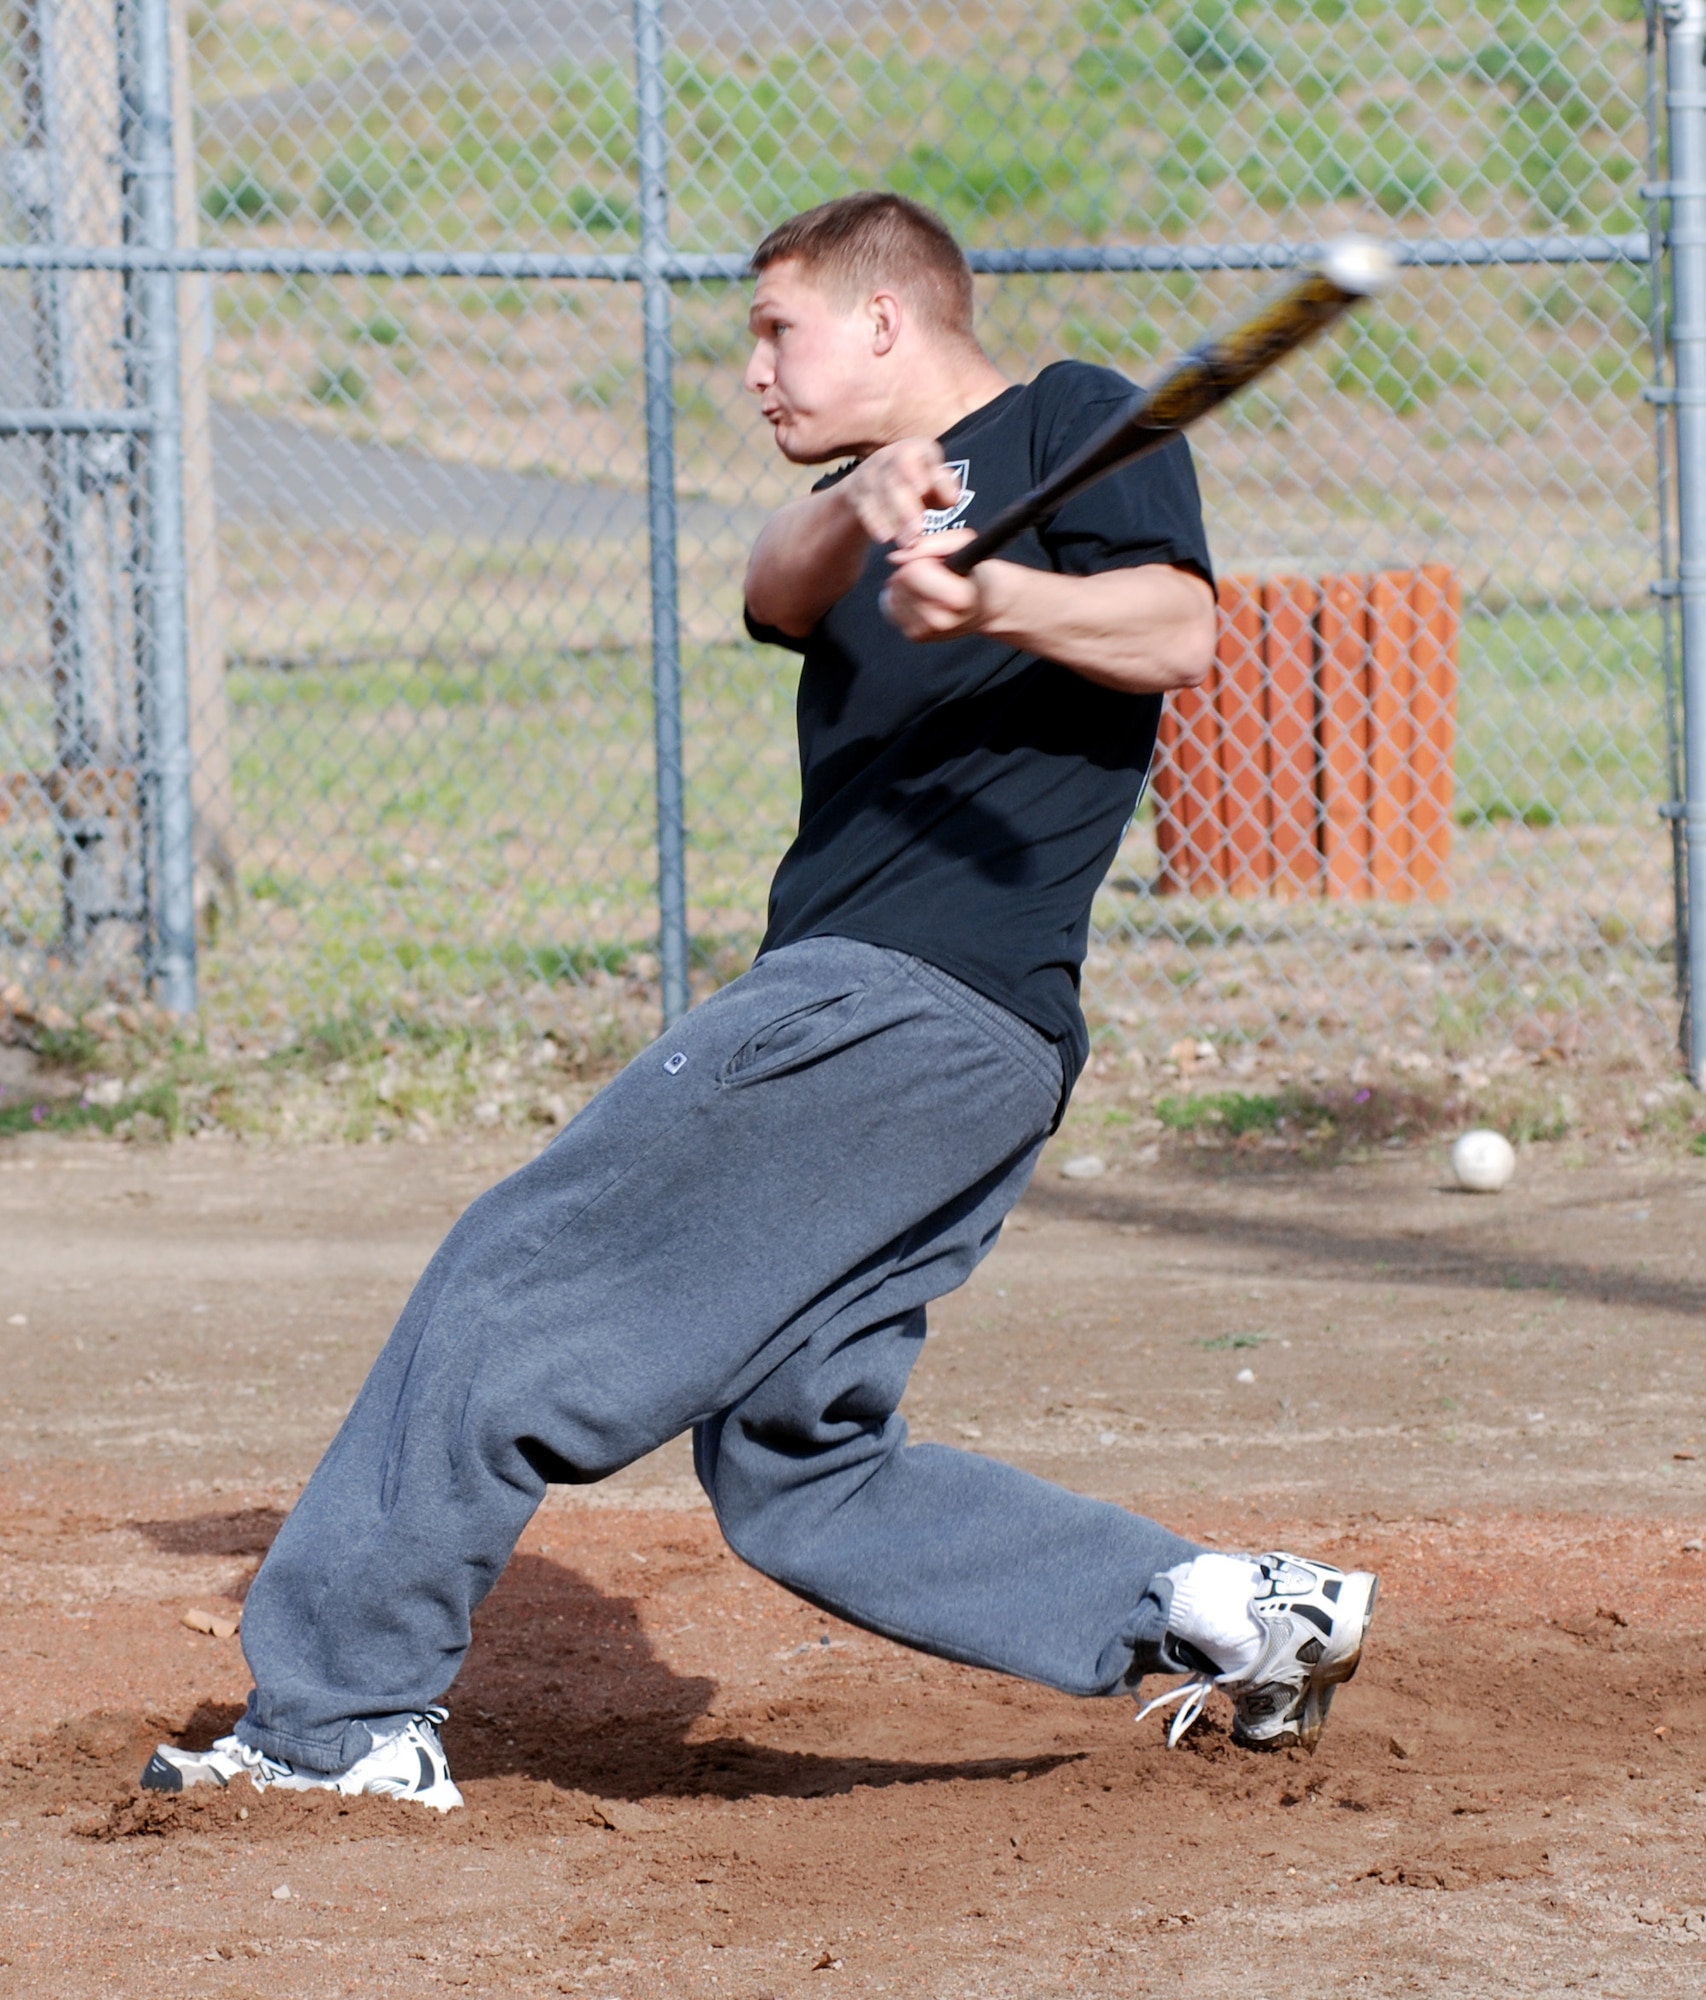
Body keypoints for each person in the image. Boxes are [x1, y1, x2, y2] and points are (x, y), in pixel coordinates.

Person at [141, 192, 1376, 1814]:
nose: (752, 369)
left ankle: (337, 1722)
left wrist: (992, 595)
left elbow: (1173, 627)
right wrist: (874, 508)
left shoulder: (1069, 415)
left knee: (515, 1285)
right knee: (804, 1463)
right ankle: (1220, 1609)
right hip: (971, 1050)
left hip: (889, 998)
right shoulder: (852, 514)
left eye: (775, 327)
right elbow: (776, 588)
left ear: (886, 320)